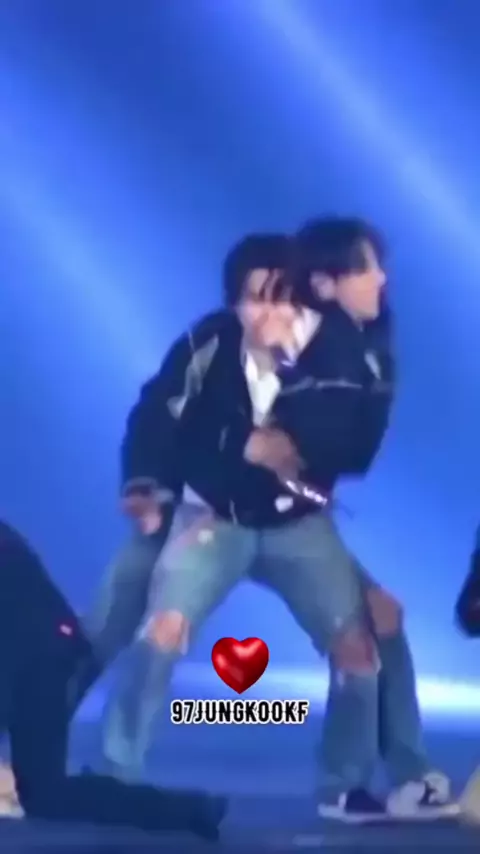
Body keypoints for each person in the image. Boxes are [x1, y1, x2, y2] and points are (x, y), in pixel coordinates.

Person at [0, 519, 226, 839]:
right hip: (45, 649)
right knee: (46, 795)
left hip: (37, 653)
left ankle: (188, 810)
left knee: (44, 792)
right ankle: (191, 810)